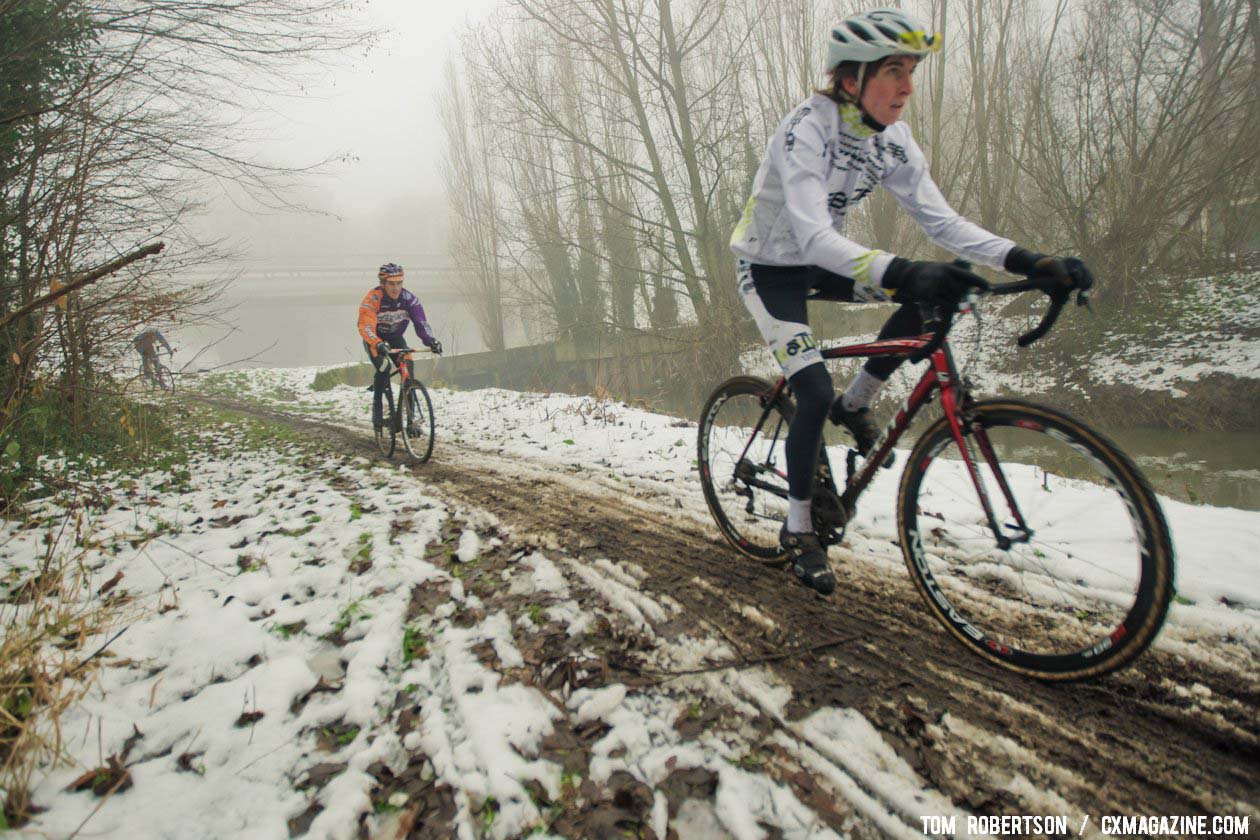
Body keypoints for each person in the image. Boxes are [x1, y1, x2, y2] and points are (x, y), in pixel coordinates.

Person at [729, 8, 1094, 595]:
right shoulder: (807, 129)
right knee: (813, 389)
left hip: (824, 266)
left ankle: (859, 402)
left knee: (933, 298)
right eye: (894, 70)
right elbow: (813, 234)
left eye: (913, 70)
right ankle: (798, 529)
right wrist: (904, 269)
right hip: (771, 267)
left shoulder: (892, 141)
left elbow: (942, 221)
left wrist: (1030, 260)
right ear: (851, 79)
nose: (907, 85)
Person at [357, 262, 442, 430]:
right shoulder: (373, 299)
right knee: (384, 367)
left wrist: (431, 340)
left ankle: (411, 421)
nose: (395, 288)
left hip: (396, 338)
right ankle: (378, 410)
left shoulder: (409, 299)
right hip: (375, 339)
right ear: (383, 284)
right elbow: (366, 324)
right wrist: (377, 343)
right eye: (391, 284)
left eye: (399, 283)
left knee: (408, 371)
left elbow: (421, 322)